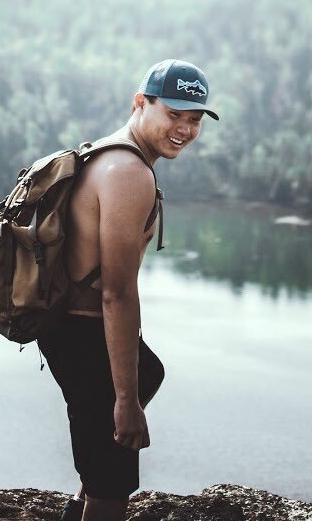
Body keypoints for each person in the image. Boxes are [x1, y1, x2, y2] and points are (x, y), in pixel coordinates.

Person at [38, 59, 219, 521]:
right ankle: (92, 499)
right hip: (85, 335)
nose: (184, 128)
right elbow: (115, 294)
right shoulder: (129, 174)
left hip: (66, 327)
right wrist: (125, 403)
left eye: (194, 119)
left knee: (148, 373)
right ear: (141, 102)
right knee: (113, 487)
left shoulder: (105, 152)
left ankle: (80, 501)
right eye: (173, 114)